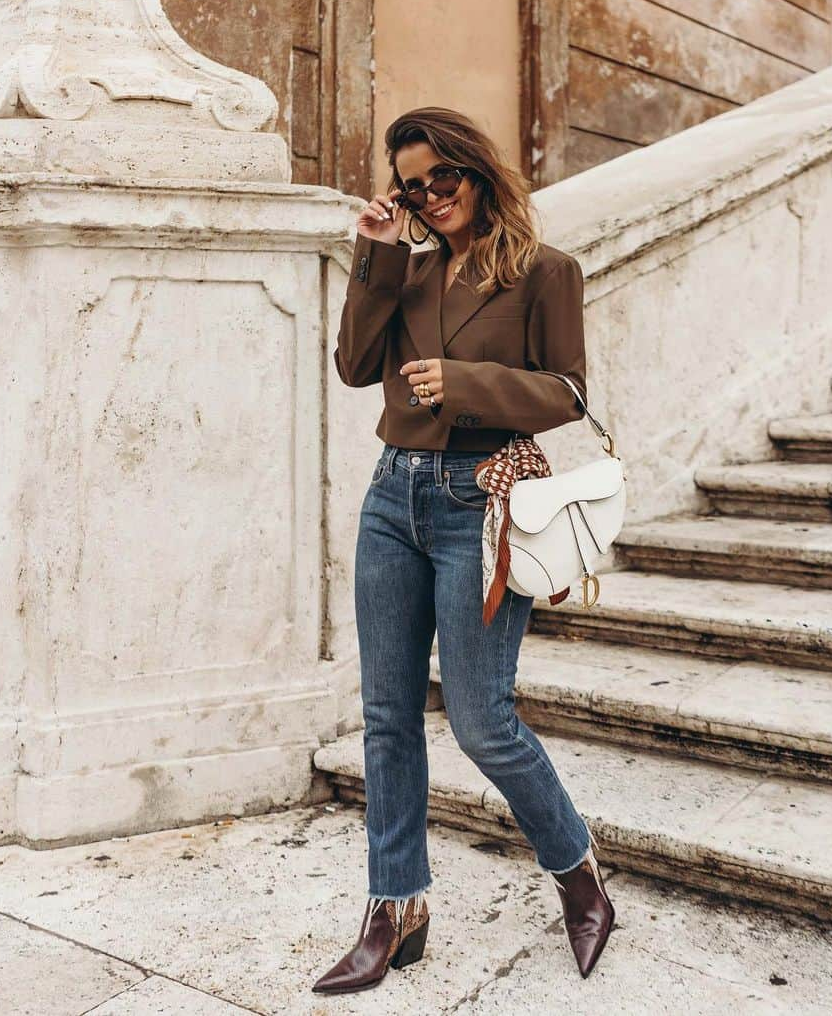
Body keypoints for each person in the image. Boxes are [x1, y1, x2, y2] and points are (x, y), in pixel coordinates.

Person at [312, 107, 614, 996]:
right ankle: (393, 905)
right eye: (411, 187)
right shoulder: (406, 268)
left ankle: (578, 874)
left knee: (483, 720)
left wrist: (470, 384)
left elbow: (566, 393)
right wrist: (374, 252)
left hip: (479, 504)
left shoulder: (543, 271)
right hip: (391, 497)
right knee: (387, 715)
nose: (429, 198)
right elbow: (354, 365)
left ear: (478, 171)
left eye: (441, 179)